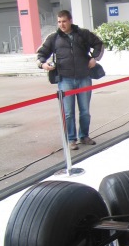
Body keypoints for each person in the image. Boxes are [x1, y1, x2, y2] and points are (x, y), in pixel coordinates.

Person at [37, 9, 104, 151]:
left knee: (85, 111)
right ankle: (71, 139)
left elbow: (99, 44)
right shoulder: (53, 38)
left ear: (70, 21)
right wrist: (43, 64)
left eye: (64, 21)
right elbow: (41, 54)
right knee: (68, 113)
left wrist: (94, 58)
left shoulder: (83, 34)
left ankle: (84, 136)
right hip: (65, 80)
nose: (61, 24)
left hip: (84, 78)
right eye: (59, 22)